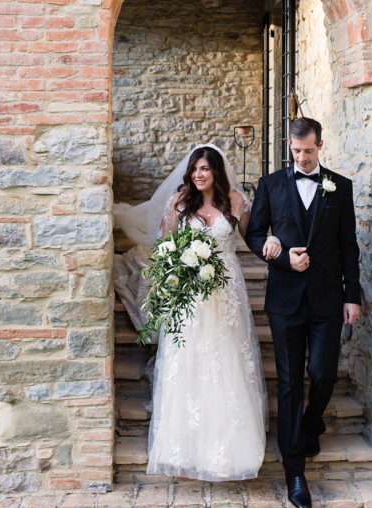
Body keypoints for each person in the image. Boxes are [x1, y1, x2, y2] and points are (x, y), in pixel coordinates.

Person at [114, 144, 267, 481]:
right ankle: (183, 450)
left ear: (217, 172)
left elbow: (253, 239)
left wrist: (276, 247)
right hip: (190, 296)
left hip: (226, 293)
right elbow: (165, 246)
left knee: (225, 364)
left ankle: (227, 452)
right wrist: (176, 270)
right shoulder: (180, 203)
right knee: (189, 362)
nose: (199, 175)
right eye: (195, 169)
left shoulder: (236, 202)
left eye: (205, 169)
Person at [245, 116, 361, 508]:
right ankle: (294, 470)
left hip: (328, 299)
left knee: (325, 373)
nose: (302, 157)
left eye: (308, 151)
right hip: (285, 300)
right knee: (291, 381)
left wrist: (353, 295)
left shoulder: (340, 187)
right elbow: (255, 234)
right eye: (296, 152)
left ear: (320, 145)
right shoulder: (272, 184)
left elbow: (349, 246)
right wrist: (277, 255)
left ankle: (312, 424)